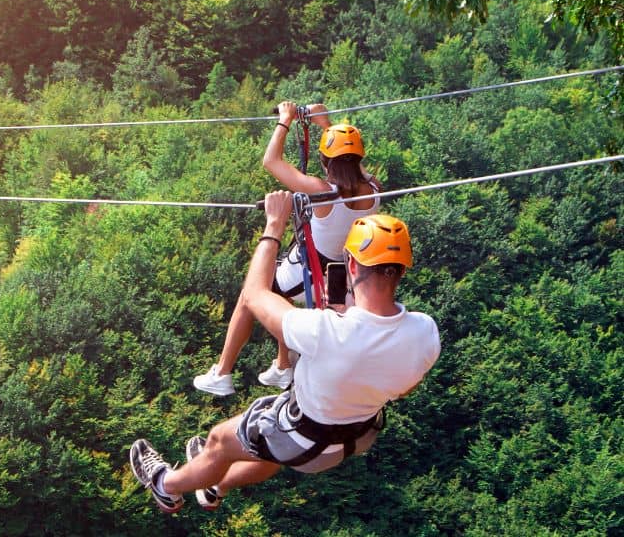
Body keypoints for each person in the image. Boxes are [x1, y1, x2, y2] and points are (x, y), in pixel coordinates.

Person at [131, 191, 440, 513]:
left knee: (219, 442)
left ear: (350, 263)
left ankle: (165, 486)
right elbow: (405, 387)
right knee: (267, 449)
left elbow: (254, 295)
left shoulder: (325, 330)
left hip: (303, 437)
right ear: (402, 270)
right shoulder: (425, 332)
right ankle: (216, 486)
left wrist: (274, 225)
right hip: (354, 438)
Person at [194, 101, 382, 396]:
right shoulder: (374, 188)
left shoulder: (321, 191)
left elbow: (271, 161)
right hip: (342, 273)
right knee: (282, 295)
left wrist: (285, 120)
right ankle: (283, 366)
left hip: (312, 268)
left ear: (325, 161)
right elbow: (351, 162)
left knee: (251, 294)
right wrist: (325, 124)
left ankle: (222, 372)